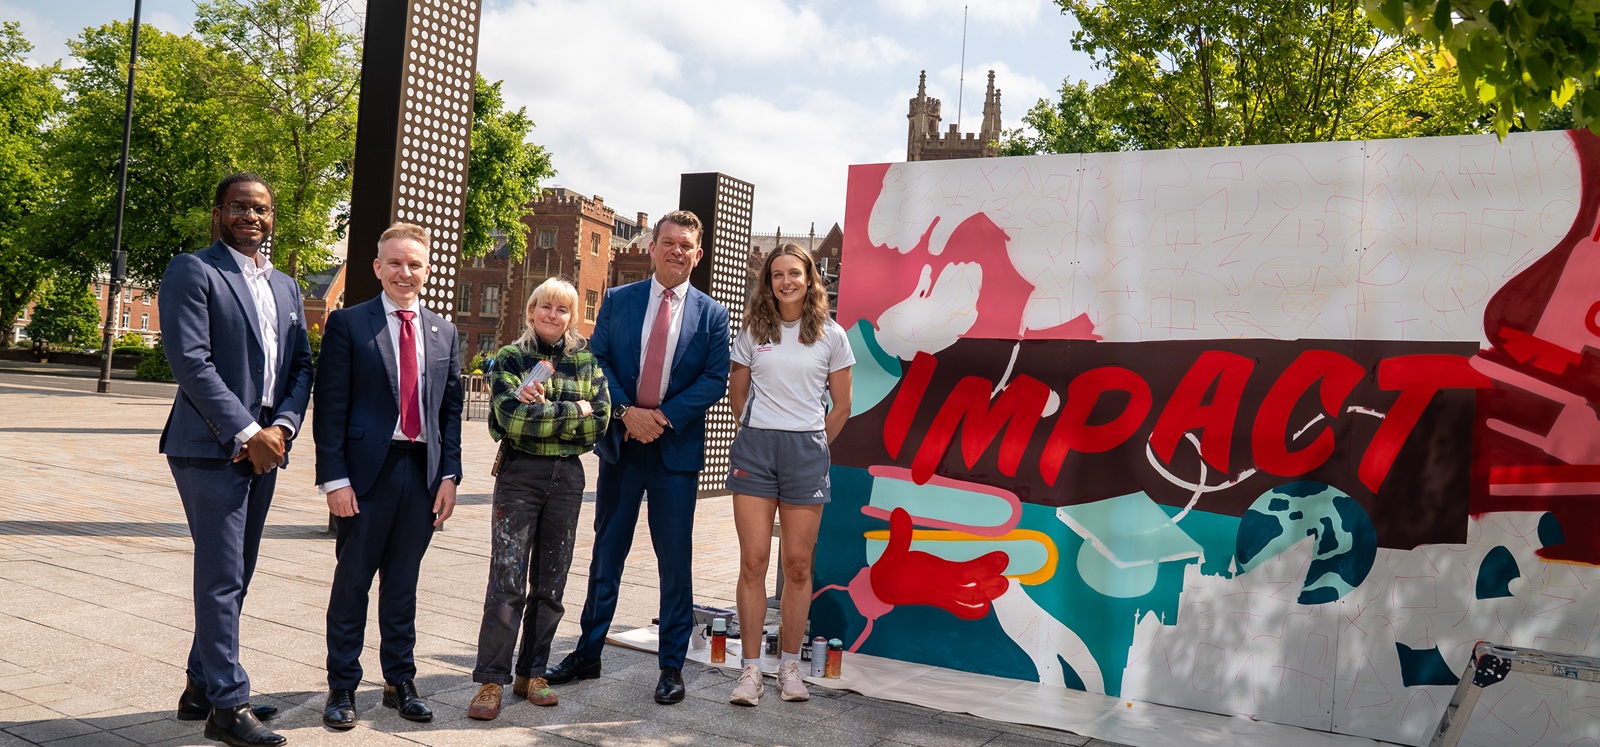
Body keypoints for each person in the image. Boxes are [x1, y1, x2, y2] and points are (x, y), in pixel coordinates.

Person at [544, 210, 731, 705]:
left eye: (686, 245)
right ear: (652, 248)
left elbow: (714, 380)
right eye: (668, 242)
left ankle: (672, 665)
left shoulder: (712, 314)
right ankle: (587, 652)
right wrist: (627, 413)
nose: (676, 251)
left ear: (698, 253)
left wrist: (662, 418)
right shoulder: (620, 300)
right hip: (623, 447)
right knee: (607, 553)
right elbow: (597, 360)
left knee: (676, 562)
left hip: (675, 453)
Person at [159, 173, 313, 747]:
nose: (252, 216)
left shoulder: (287, 287)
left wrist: (282, 427)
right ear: (220, 211)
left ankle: (201, 687)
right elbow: (192, 362)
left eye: (263, 209)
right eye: (240, 207)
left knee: (238, 572)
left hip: (267, 447)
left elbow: (302, 367)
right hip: (210, 447)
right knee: (222, 576)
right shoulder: (193, 270)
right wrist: (249, 431)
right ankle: (228, 705)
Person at [313, 222, 463, 730]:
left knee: (403, 585)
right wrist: (334, 480)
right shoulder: (349, 325)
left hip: (421, 474)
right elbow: (330, 408)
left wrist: (450, 476)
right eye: (394, 263)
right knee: (352, 583)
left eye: (414, 264)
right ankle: (342, 687)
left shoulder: (444, 331)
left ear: (427, 270)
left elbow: (448, 413)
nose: (405, 272)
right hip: (364, 477)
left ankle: (401, 681)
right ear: (377, 267)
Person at [467, 278, 611, 720]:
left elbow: (601, 423)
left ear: (572, 316)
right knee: (506, 581)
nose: (553, 315)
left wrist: (554, 412)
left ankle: (533, 672)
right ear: (531, 311)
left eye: (562, 309)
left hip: (567, 478)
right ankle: (492, 679)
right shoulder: (511, 357)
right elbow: (513, 420)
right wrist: (576, 410)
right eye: (545, 307)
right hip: (520, 475)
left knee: (551, 584)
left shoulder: (586, 361)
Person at [725, 243, 853, 706]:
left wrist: (812, 444)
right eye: (777, 274)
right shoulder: (751, 331)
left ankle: (791, 667)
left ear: (809, 277)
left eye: (794, 273)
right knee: (754, 561)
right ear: (768, 282)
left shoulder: (832, 336)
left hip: (806, 453)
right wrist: (760, 431)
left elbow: (842, 408)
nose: (786, 281)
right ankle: (751, 671)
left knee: (797, 565)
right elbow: (738, 395)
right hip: (756, 450)